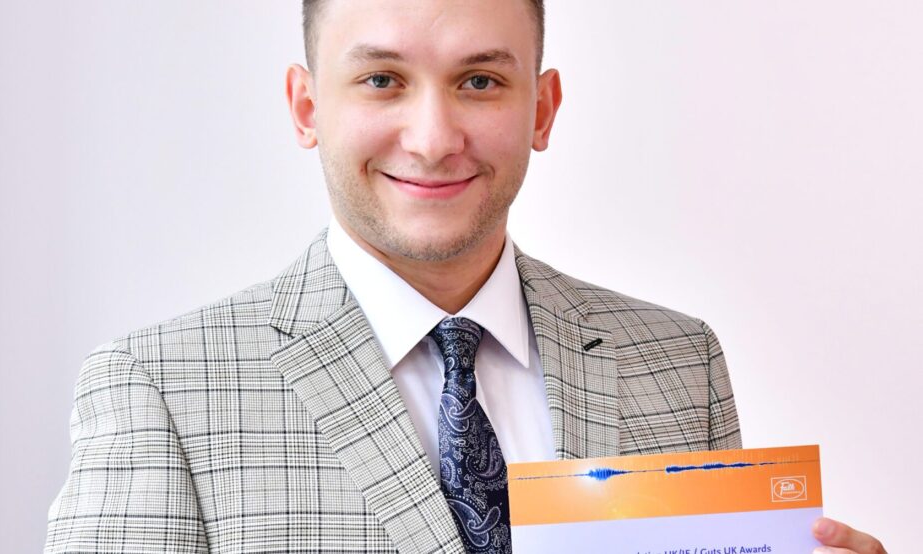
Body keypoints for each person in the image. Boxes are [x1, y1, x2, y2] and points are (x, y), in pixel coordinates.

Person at [45, 1, 886, 553]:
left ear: (542, 109)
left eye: (479, 81)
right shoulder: (159, 388)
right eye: (382, 80)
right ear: (307, 108)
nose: (434, 136)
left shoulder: (677, 358)